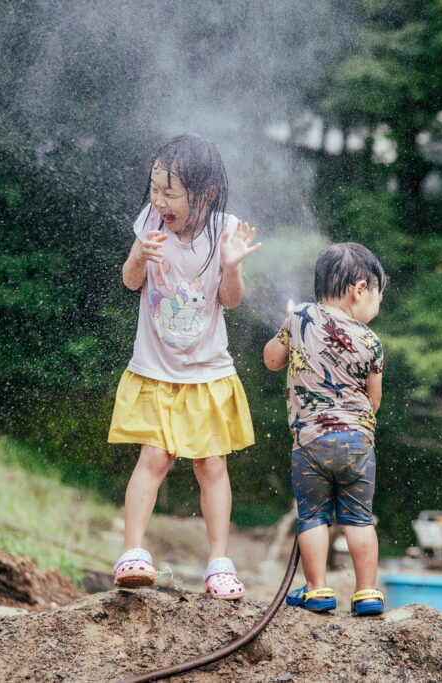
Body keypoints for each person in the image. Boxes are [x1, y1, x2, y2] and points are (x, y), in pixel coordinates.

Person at [108, 134, 262, 600]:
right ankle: (132, 553)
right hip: (156, 368)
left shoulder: (225, 231)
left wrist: (232, 266)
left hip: (207, 372)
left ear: (205, 194)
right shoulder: (150, 221)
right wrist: (140, 253)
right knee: (153, 458)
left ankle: (219, 563)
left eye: (169, 192)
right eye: (154, 188)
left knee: (211, 465)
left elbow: (230, 301)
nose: (159, 200)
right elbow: (131, 280)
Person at [263, 242, 387, 616]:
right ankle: (367, 592)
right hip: (357, 443)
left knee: (313, 515)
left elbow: (271, 360)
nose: (377, 307)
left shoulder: (299, 316)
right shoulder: (372, 341)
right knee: (359, 518)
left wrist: (284, 330)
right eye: (378, 296)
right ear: (360, 289)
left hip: (310, 442)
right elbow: (374, 399)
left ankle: (317, 589)